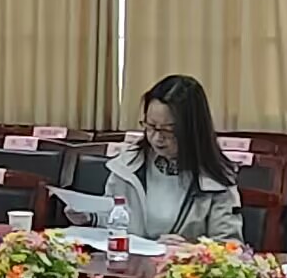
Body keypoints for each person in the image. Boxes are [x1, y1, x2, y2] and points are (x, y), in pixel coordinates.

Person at [69, 75, 241, 243]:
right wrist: (90, 217)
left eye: (168, 130)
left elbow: (230, 247)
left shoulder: (215, 181)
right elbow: (114, 218)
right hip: (127, 260)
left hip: (180, 263)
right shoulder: (128, 166)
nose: (157, 138)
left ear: (192, 129)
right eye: (151, 126)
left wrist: (189, 250)